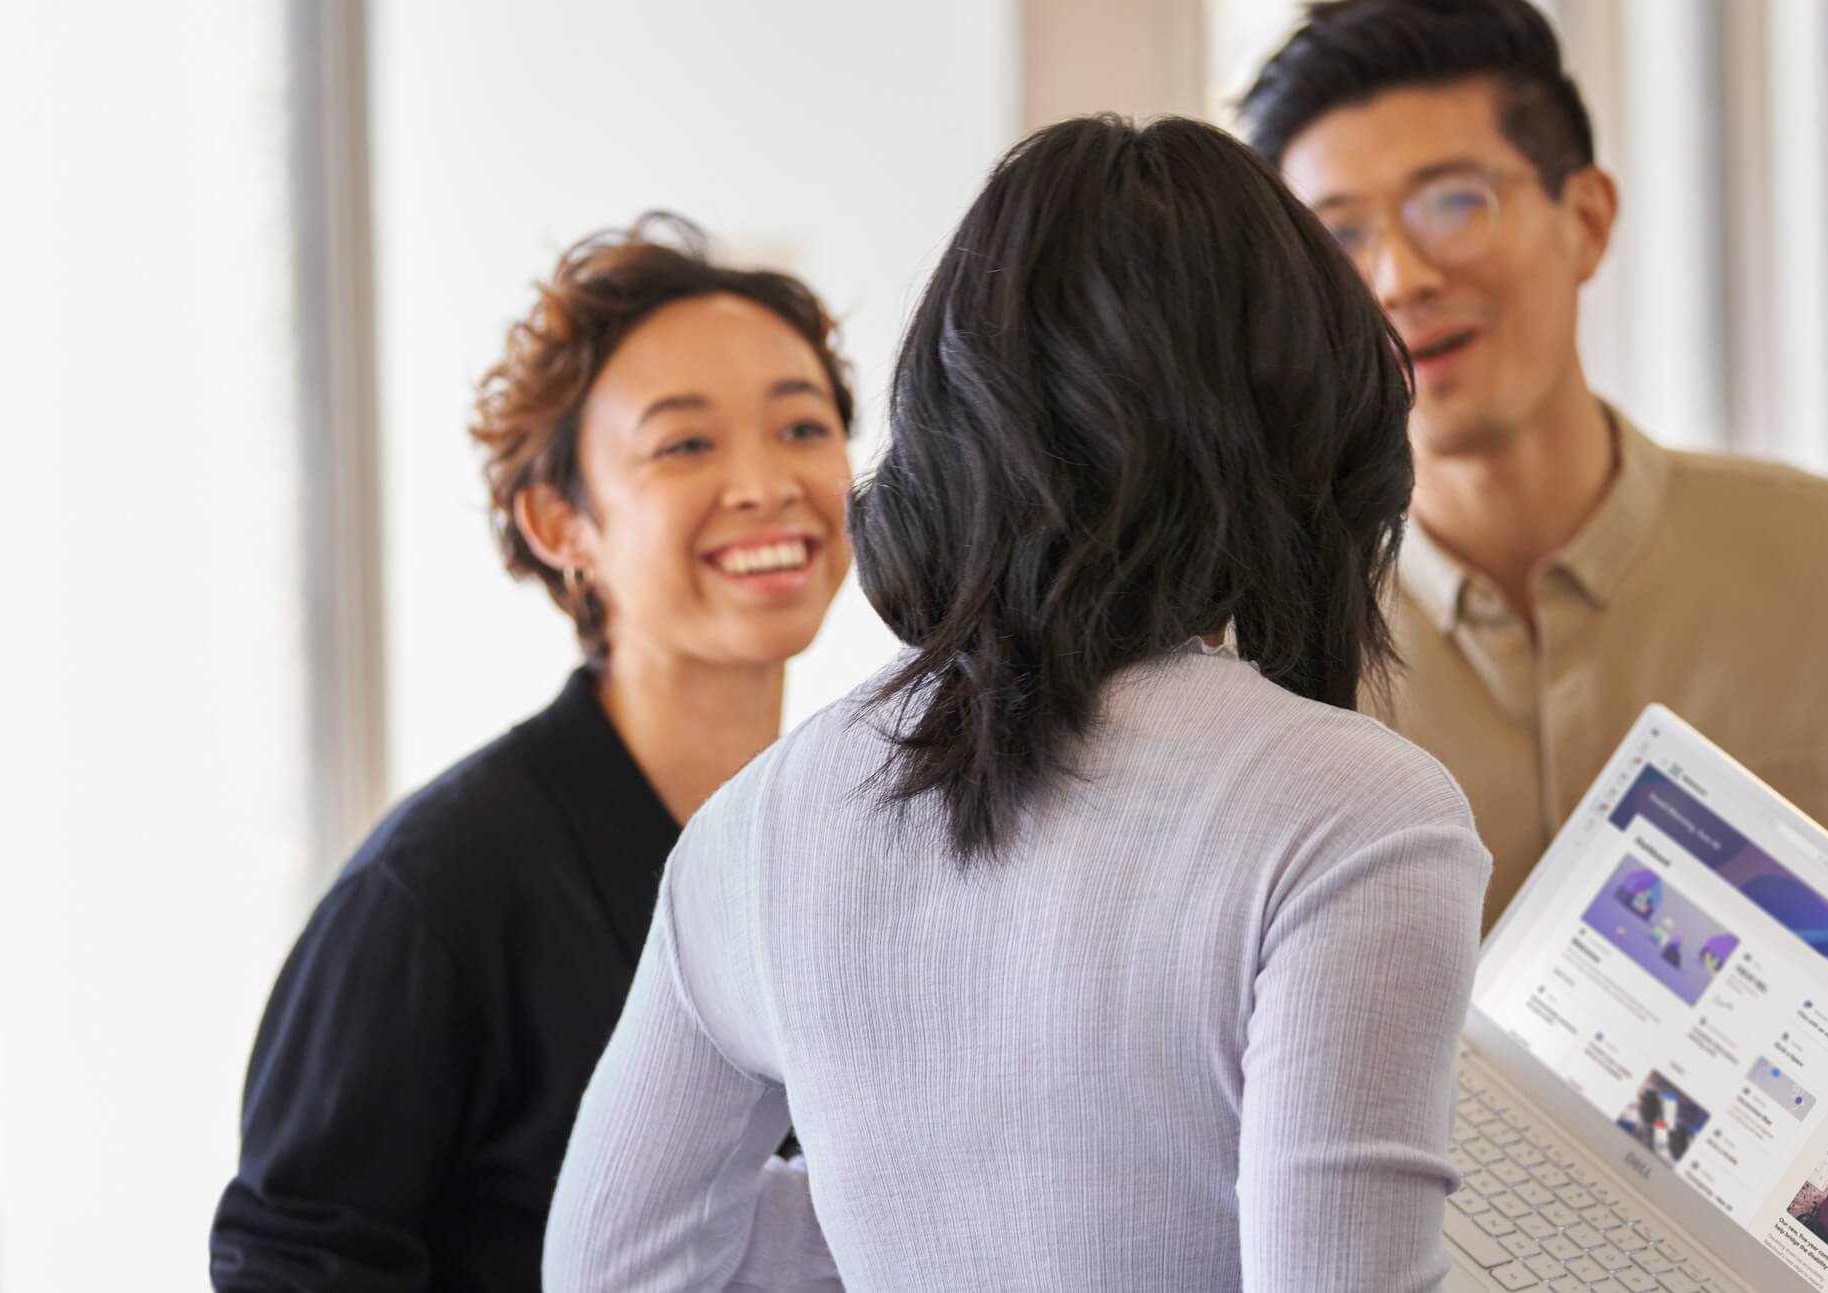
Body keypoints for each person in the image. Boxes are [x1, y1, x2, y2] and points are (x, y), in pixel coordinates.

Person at [542, 116, 1490, 1292]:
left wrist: (911, 1202)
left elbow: (610, 1265)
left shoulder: (756, 825)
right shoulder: (1356, 813)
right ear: (1311, 422)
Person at [210, 213, 857, 1291]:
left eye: (801, 427)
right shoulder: (439, 884)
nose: (764, 484)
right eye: (684, 444)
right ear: (561, 524)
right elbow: (291, 1262)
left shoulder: (851, 839)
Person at [1242, 0, 1828, 931]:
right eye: (1340, 238)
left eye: (1453, 203)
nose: (1399, 279)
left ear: (1589, 217)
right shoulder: (1274, 665)